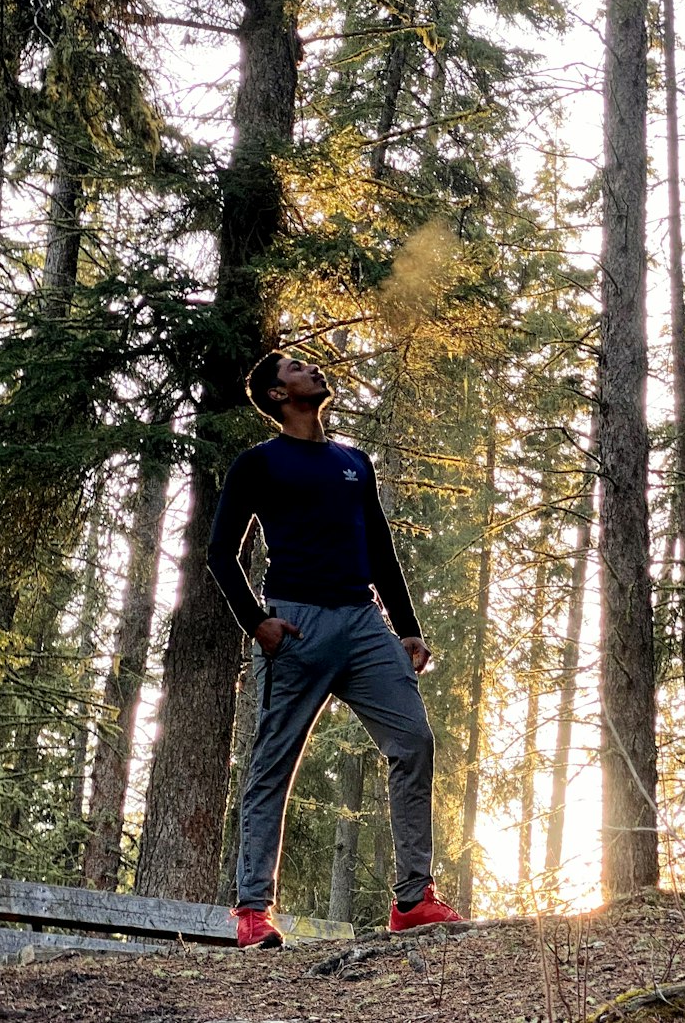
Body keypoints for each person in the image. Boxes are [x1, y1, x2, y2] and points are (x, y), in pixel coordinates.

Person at [207, 350, 461, 947]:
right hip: (295, 624)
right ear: (276, 394)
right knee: (274, 761)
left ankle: (412, 899)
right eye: (296, 367)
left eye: (309, 365)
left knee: (414, 740)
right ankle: (252, 911)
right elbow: (220, 553)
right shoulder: (258, 464)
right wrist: (256, 623)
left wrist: (408, 626)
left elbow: (379, 548)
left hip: (364, 623)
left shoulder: (355, 462)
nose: (312, 369)